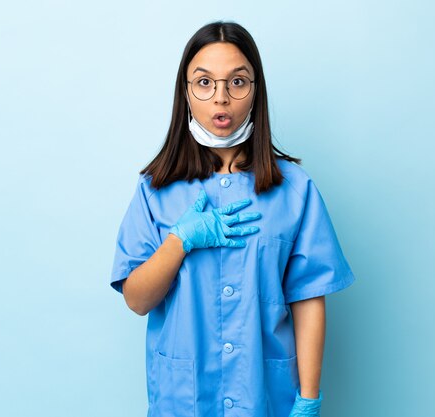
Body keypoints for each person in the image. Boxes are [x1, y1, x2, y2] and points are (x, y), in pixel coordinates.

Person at [110, 20, 355, 417]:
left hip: (266, 395)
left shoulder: (294, 188)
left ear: (255, 93)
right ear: (186, 93)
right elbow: (138, 300)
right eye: (205, 83)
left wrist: (308, 398)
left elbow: (308, 299)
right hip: (183, 398)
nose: (221, 98)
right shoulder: (155, 188)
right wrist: (179, 242)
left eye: (237, 82)